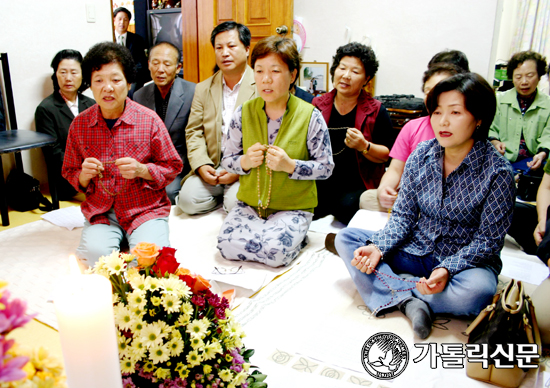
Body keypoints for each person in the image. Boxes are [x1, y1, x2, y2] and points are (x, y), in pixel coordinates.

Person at [334, 73, 515, 339]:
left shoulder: (498, 172)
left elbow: (488, 241)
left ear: (478, 119)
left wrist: (447, 268)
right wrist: (378, 247)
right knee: (349, 239)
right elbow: (403, 217)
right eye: (438, 111)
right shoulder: (422, 153)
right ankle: (412, 300)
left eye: (455, 112)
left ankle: (394, 291)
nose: (443, 121)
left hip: (463, 262)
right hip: (416, 249)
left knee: (478, 293)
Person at [216, 36, 334, 268]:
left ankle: (294, 238)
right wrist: (246, 161)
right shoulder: (244, 113)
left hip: (293, 207)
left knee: (275, 253)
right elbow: (227, 160)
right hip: (249, 205)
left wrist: (290, 165)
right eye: (259, 71)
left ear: (292, 75)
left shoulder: (310, 115)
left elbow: (326, 167)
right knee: (226, 246)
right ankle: (280, 236)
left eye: (275, 71)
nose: (266, 79)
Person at [62, 42, 183, 267]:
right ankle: (118, 240)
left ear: (128, 83)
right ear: (90, 85)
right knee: (93, 261)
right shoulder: (79, 125)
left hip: (144, 209)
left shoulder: (149, 120)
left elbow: (172, 166)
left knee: (150, 264)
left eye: (116, 80)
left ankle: (137, 238)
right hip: (102, 211)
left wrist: (142, 170)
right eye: (99, 80)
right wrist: (83, 175)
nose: (107, 87)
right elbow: (69, 170)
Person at [361, 63, 465, 212]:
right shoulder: (412, 127)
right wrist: (384, 189)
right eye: (428, 91)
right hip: (411, 199)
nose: (431, 97)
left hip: (450, 203)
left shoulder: (461, 130)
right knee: (368, 199)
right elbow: (395, 169)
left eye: (438, 91)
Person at [312, 42, 396, 225]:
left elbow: (388, 155)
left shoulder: (376, 110)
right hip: (321, 182)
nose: (346, 76)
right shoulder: (317, 105)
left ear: (367, 79)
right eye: (342, 68)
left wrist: (363, 146)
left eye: (355, 72)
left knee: (345, 208)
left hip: (357, 186)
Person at [178, 21, 257, 215]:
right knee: (187, 202)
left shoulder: (261, 86)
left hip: (246, 167)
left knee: (235, 206)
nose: (224, 53)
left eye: (231, 46)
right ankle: (220, 196)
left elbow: (268, 136)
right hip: (214, 164)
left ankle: (229, 198)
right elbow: (193, 131)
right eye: (219, 47)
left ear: (247, 50)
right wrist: (201, 164)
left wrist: (238, 171)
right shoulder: (203, 88)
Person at [134, 41, 196, 204]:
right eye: (155, 63)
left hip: (180, 162)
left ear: (178, 67)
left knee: (167, 192)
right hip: (151, 163)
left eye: (167, 64)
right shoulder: (139, 96)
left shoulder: (193, 92)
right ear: (148, 65)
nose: (160, 69)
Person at [35, 49, 96, 200]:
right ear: (55, 75)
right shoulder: (46, 109)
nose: (68, 78)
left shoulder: (91, 104)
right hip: (67, 180)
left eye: (74, 72)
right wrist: (84, 171)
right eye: (63, 72)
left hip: (96, 172)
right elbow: (53, 154)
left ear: (82, 75)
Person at [489, 51, 550, 173]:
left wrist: (542, 154)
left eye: (530, 75)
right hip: (502, 159)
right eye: (518, 76)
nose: (524, 82)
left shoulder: (548, 104)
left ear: (539, 76)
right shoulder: (498, 100)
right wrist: (495, 142)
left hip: (533, 162)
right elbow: (491, 127)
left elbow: (548, 136)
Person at [113, 7, 149, 93]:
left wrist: (128, 75)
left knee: (132, 90)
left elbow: (141, 63)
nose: (122, 22)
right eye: (120, 19)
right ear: (114, 20)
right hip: (113, 76)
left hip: (132, 77)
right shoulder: (108, 37)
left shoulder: (137, 40)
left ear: (129, 21)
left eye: (125, 20)